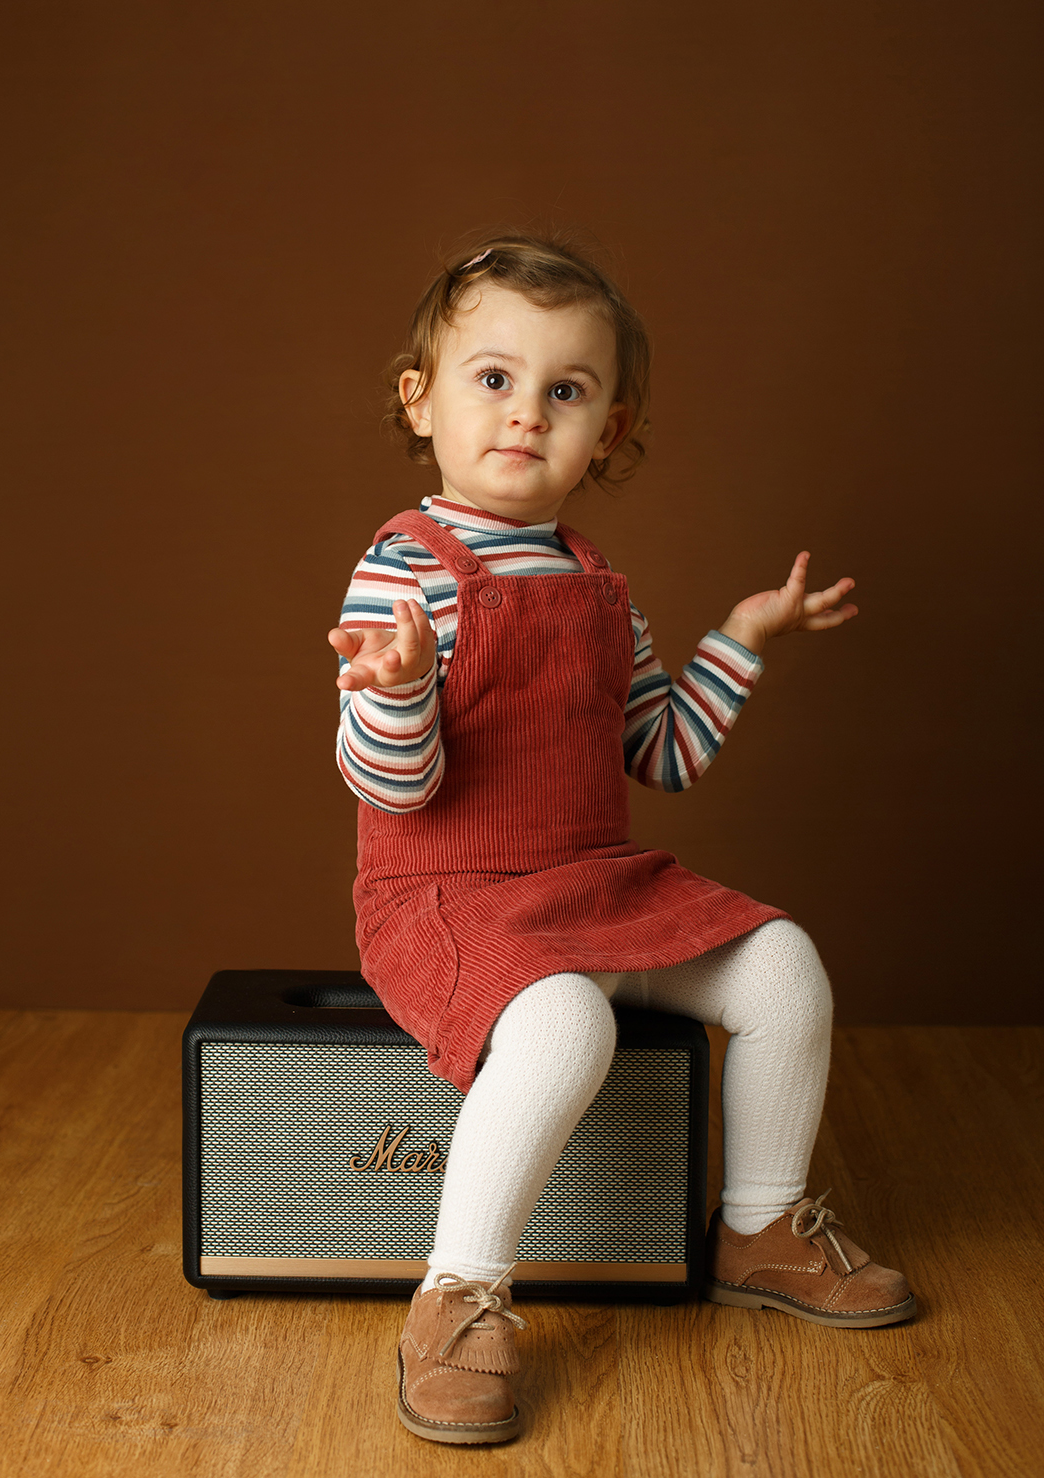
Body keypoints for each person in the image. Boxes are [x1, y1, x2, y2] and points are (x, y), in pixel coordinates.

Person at [328, 235, 915, 1447]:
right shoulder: (403, 570)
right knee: (565, 1024)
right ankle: (457, 1292)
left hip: (593, 883)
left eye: (566, 389)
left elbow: (666, 754)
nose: (526, 413)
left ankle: (758, 1226)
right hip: (447, 895)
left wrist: (742, 639)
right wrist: (398, 691)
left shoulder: (600, 584)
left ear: (610, 427)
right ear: (421, 398)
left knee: (784, 964)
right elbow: (395, 785)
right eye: (495, 378)